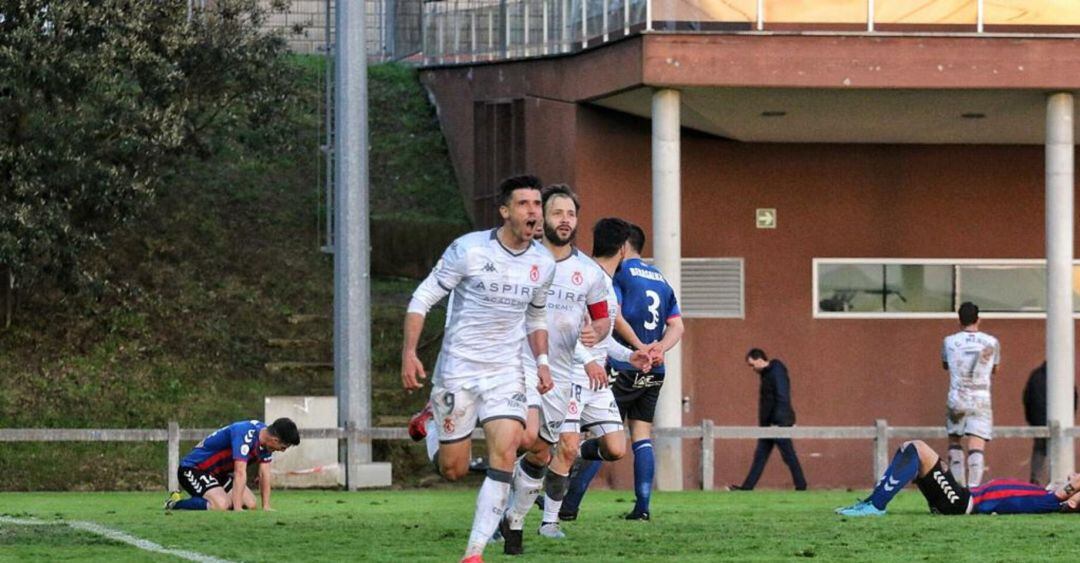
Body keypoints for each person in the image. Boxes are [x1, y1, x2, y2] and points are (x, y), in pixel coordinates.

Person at [401, 174, 557, 563]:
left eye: (537, 205)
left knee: (506, 452)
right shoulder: (468, 250)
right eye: (524, 205)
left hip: (506, 370)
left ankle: (474, 553)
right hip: (459, 370)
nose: (533, 212)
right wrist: (409, 352)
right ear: (505, 211)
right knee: (452, 470)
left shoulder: (542, 261)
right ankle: (434, 425)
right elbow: (423, 298)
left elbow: (536, 318)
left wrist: (541, 361)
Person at [497, 184, 617, 554]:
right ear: (541, 218)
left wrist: (597, 331)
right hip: (515, 367)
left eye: (571, 214)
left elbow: (602, 320)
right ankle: (503, 522)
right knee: (513, 441)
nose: (565, 221)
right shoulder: (518, 261)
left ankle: (511, 518)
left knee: (540, 452)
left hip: (560, 377)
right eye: (557, 213)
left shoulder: (589, 272)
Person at [606, 223, 684, 521]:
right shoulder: (661, 279)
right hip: (655, 368)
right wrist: (659, 349)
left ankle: (568, 505)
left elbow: (613, 314)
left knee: (602, 432)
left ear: (622, 246)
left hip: (625, 364)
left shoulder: (620, 274)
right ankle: (643, 507)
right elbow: (677, 325)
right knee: (642, 435)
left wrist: (640, 348)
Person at [836, 439, 1080, 517]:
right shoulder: (1046, 495)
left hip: (962, 503)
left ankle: (876, 506)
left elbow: (1070, 489)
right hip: (961, 497)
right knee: (910, 448)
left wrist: (1074, 487)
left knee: (918, 449)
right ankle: (871, 502)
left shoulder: (1051, 500)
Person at [165, 417, 299, 511]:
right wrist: (237, 508)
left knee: (251, 504)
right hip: (193, 469)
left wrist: (266, 506)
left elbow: (264, 474)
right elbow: (240, 472)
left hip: (218, 474)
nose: (281, 451)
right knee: (221, 505)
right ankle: (175, 503)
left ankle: (208, 497)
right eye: (282, 447)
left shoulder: (266, 442)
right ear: (275, 440)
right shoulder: (244, 433)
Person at [730, 348, 807, 491]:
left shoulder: (776, 371)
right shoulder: (766, 374)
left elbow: (782, 396)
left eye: (752, 365)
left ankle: (801, 485)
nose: (752, 369)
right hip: (768, 424)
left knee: (788, 455)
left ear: (759, 359)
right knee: (761, 455)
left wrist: (779, 421)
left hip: (777, 424)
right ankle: (747, 487)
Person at [941, 301, 1000, 487]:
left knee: (955, 441)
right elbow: (995, 369)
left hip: (958, 396)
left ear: (959, 320)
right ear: (978, 319)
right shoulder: (991, 342)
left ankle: (958, 488)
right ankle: (974, 490)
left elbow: (945, 365)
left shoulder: (949, 341)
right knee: (977, 445)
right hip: (980, 396)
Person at [1022, 361, 1078, 484]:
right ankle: (1057, 479)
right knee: (1058, 449)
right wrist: (1070, 416)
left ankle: (1036, 480)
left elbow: (1027, 398)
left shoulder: (1036, 375)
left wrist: (1032, 420)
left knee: (1039, 450)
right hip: (1061, 421)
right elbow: (1074, 397)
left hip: (1038, 420)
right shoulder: (1064, 376)